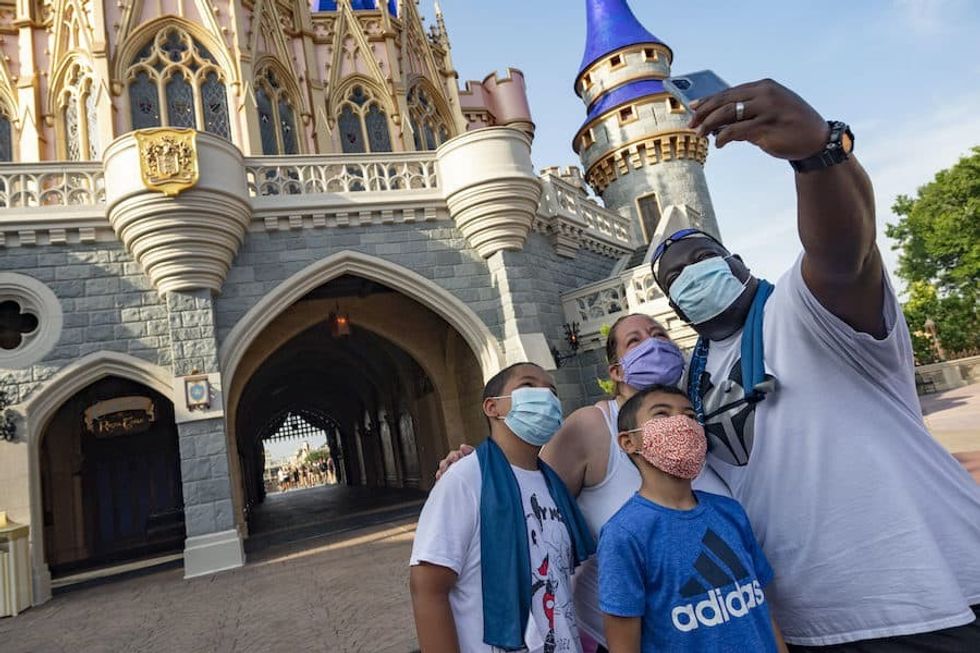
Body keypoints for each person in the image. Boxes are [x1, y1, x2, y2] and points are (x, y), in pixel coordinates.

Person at [650, 79, 980, 650]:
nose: (689, 275)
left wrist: (817, 155)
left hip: (933, 599)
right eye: (674, 278)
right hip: (810, 622)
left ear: (736, 260)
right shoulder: (690, 378)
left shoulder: (802, 309)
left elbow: (844, 254)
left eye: (701, 258)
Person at [436, 314, 698, 652]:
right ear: (616, 371)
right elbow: (527, 492)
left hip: (709, 622)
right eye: (635, 341)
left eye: (659, 334)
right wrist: (478, 471)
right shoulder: (591, 427)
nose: (654, 345)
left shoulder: (694, 424)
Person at [410, 363, 595, 653]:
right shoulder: (465, 478)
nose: (544, 396)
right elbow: (428, 586)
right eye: (528, 386)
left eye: (552, 391)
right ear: (492, 407)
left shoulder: (554, 484)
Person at [599, 385, 787, 652]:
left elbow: (763, 612)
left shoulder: (729, 512)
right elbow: (623, 645)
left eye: (690, 416)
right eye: (662, 415)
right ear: (629, 442)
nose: (681, 424)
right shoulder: (624, 534)